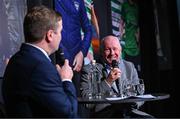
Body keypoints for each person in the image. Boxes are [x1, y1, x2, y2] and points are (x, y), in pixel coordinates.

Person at [2, 5, 77, 118]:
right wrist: (66, 79)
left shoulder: (16, 59)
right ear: (50, 35)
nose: (61, 37)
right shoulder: (40, 67)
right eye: (60, 31)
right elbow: (68, 113)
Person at [80, 35, 153, 118]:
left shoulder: (129, 66)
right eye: (107, 49)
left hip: (129, 112)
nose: (112, 53)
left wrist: (134, 104)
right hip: (105, 114)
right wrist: (108, 81)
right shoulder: (89, 69)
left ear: (120, 51)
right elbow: (87, 102)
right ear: (101, 52)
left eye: (115, 49)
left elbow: (139, 93)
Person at [54, 0, 92, 96]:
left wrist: (82, 53)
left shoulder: (79, 2)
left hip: (76, 61)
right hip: (56, 59)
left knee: (77, 101)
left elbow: (88, 30)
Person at [121, 0, 141, 76]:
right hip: (127, 45)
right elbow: (121, 22)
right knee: (127, 70)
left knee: (137, 71)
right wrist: (121, 38)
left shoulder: (137, 6)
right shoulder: (125, 5)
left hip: (136, 45)